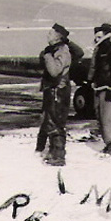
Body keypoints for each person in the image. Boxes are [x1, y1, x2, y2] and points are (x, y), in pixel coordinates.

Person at [36, 23, 73, 166]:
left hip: (58, 91)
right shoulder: (55, 50)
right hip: (52, 90)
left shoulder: (62, 51)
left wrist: (47, 56)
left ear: (58, 37)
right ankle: (52, 152)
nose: (47, 35)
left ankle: (58, 156)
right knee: (49, 121)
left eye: (50, 34)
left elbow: (54, 71)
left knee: (56, 123)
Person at [88, 23, 111, 156]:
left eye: (99, 36)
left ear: (105, 35)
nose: (96, 38)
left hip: (109, 88)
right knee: (101, 117)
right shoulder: (99, 48)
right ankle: (108, 144)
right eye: (95, 36)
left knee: (107, 118)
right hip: (99, 87)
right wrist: (91, 81)